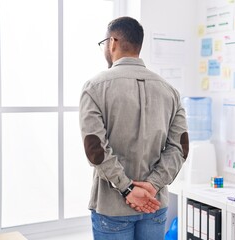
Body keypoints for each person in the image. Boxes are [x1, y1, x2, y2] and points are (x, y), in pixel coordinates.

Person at [79, 16, 189, 240]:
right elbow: (180, 148)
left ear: (112, 42)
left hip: (112, 208)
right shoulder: (170, 91)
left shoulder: (94, 87)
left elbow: (95, 150)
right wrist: (151, 185)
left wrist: (128, 189)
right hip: (154, 204)